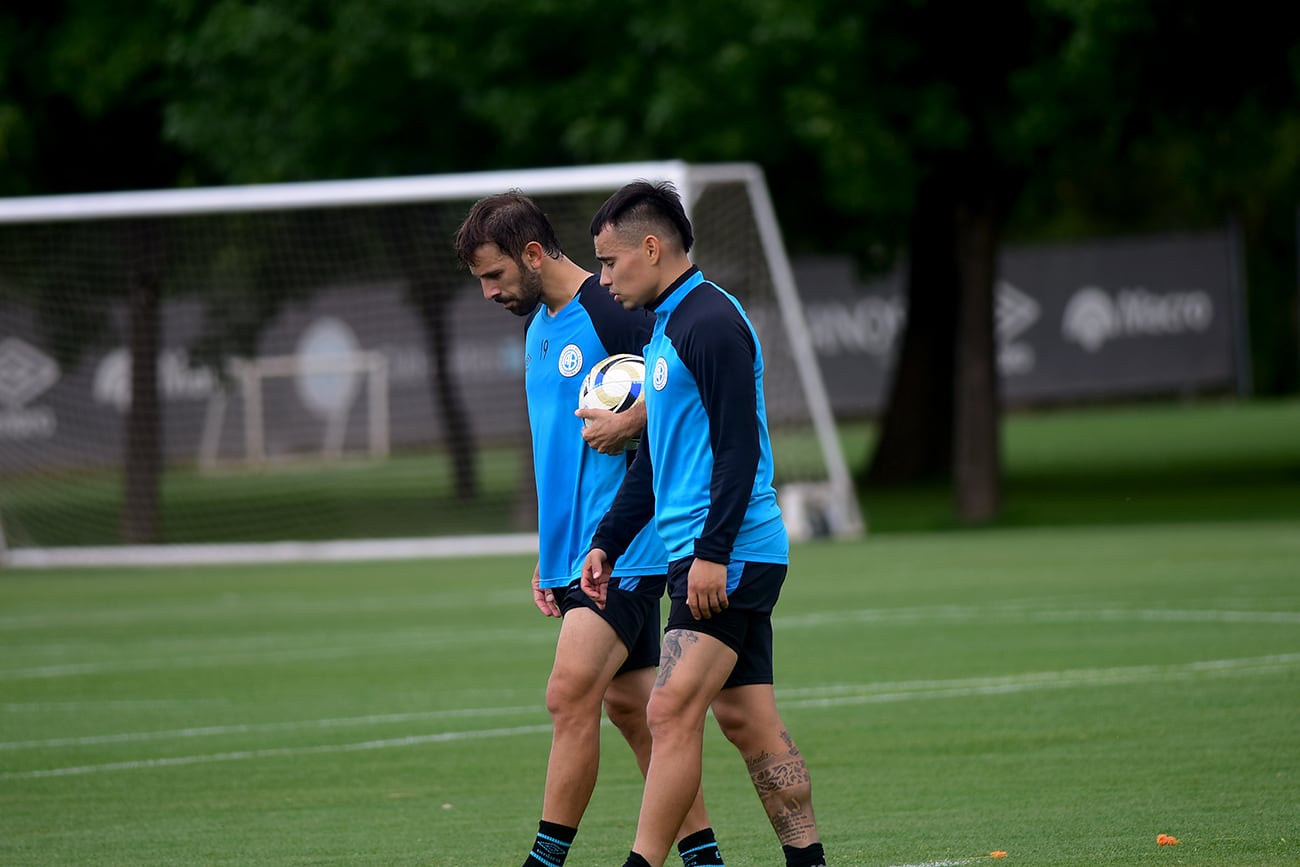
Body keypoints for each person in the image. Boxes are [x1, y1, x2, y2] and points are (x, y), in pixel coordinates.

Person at [453, 191, 725, 867]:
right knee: (632, 712)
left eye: (494, 275)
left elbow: (683, 390)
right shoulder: (537, 326)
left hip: (629, 547)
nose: (489, 292)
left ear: (534, 254)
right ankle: (705, 858)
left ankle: (543, 862)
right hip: (576, 558)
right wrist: (549, 561)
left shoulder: (612, 311)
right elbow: (559, 451)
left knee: (567, 693)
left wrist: (637, 421)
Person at [581, 181, 827, 867]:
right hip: (714, 550)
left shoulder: (710, 321)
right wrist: (607, 538)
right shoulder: (668, 325)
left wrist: (714, 552)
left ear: (652, 248)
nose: (604, 278)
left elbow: (738, 445)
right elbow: (660, 457)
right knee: (747, 720)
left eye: (610, 262)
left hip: (727, 552)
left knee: (668, 712)